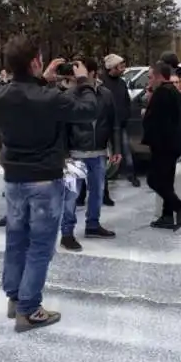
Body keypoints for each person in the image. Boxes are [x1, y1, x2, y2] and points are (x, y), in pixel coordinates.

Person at [0, 36, 98, 332]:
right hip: (43, 179)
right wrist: (83, 81)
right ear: (35, 62)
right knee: (40, 246)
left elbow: (25, 97)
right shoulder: (49, 98)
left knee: (16, 241)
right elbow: (87, 110)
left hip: (14, 178)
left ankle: (15, 299)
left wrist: (43, 80)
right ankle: (29, 309)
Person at [59, 57, 122, 252]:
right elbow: (62, 127)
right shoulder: (69, 95)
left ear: (93, 73)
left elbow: (114, 124)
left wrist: (117, 148)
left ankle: (93, 225)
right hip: (75, 153)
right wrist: (63, 154)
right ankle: (67, 233)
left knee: (97, 192)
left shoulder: (106, 95)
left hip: (99, 152)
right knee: (71, 195)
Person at [143, 61, 181, 231]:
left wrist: (146, 113)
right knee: (166, 182)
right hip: (172, 145)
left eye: (150, 77)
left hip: (163, 146)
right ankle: (166, 216)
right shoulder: (173, 91)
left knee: (154, 180)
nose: (149, 81)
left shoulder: (161, 94)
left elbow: (155, 122)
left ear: (158, 76)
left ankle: (180, 208)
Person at [102, 54, 140, 188]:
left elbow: (126, 101)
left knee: (125, 149)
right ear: (112, 67)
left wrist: (126, 115)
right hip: (104, 124)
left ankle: (132, 174)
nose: (123, 69)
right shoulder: (102, 83)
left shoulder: (121, 83)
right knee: (104, 153)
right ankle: (105, 178)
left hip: (120, 124)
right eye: (120, 66)